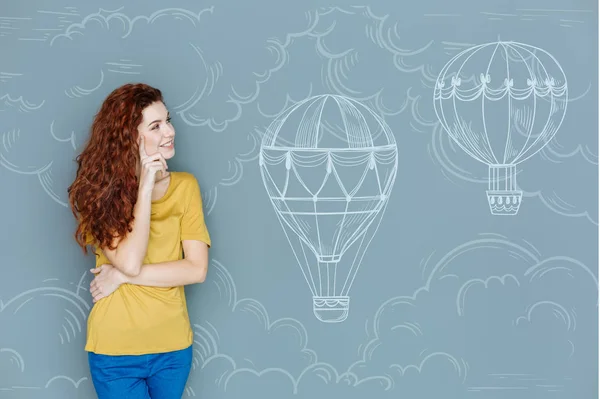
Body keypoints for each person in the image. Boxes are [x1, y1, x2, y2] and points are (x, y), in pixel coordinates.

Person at [67, 83, 211, 399]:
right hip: (115, 351)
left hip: (173, 349)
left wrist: (119, 277)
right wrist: (144, 190)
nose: (170, 131)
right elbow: (130, 260)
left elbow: (196, 270)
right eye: (156, 126)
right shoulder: (98, 193)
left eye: (168, 120)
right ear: (130, 137)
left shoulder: (186, 187)